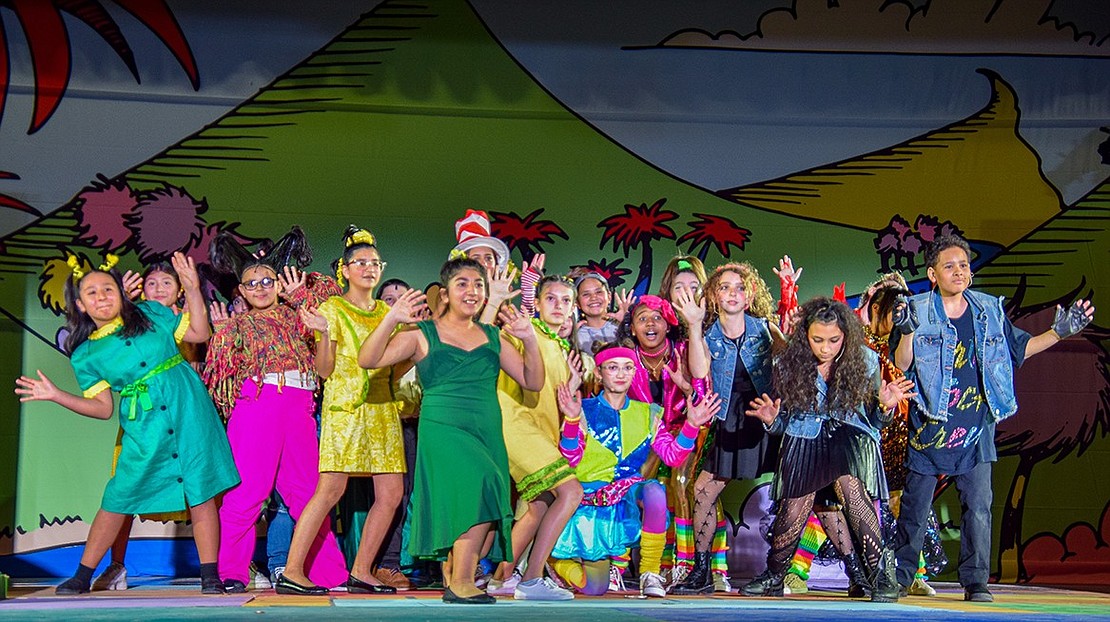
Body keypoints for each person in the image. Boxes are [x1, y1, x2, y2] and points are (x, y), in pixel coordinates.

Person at [16, 253, 239, 595]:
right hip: (144, 425)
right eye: (92, 293)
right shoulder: (85, 354)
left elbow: (199, 331)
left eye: (108, 289)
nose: (101, 296)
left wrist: (193, 288)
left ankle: (210, 575)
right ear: (80, 304)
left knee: (201, 491)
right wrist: (57, 394)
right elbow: (102, 408)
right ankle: (82, 574)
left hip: (189, 412)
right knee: (118, 495)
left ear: (121, 293)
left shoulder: (152, 313)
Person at [892, 234, 1094, 603]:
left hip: (976, 427)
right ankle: (901, 576)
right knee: (914, 509)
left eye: (965, 265)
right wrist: (906, 331)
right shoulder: (917, 309)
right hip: (931, 424)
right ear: (932, 273)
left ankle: (975, 582)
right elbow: (902, 363)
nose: (959, 272)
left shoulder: (988, 309)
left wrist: (1060, 333)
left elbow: (1021, 349)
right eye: (950, 266)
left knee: (979, 508)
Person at [358, 256, 544, 604]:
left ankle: (459, 573)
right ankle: (460, 581)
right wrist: (391, 319)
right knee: (481, 485)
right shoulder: (422, 334)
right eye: (462, 284)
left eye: (478, 285)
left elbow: (532, 381)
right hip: (443, 427)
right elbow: (368, 359)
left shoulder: (492, 336)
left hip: (486, 427)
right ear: (444, 293)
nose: (471, 291)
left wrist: (530, 340)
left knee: (484, 507)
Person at [204, 228, 349, 594]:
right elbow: (219, 380)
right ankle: (233, 573)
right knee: (247, 493)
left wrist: (297, 292)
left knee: (307, 493)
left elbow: (330, 292)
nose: (261, 287)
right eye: (252, 283)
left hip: (299, 408)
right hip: (257, 407)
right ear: (240, 291)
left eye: (268, 279)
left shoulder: (302, 316)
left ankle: (327, 572)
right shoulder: (234, 327)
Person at [742, 298, 914, 602]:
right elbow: (784, 423)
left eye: (834, 340)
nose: (826, 348)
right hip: (805, 436)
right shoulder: (788, 363)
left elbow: (874, 422)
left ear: (845, 335)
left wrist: (886, 406)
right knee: (795, 503)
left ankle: (880, 574)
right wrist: (772, 421)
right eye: (817, 340)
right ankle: (775, 573)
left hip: (850, 435)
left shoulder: (865, 360)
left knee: (849, 483)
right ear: (805, 336)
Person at [284, 226, 405, 594]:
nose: (369, 268)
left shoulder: (388, 311)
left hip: (383, 408)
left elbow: (398, 363)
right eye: (361, 262)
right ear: (345, 269)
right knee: (329, 491)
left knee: (391, 494)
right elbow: (323, 370)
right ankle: (291, 571)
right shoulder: (331, 308)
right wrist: (322, 333)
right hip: (346, 408)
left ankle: (362, 570)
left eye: (375, 262)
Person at [548, 344, 722, 597]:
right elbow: (569, 459)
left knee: (654, 491)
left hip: (626, 497)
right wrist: (573, 421)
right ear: (599, 373)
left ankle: (649, 574)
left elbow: (672, 456)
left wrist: (692, 425)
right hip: (588, 503)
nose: (620, 374)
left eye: (627, 367)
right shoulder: (582, 408)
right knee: (594, 588)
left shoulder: (648, 413)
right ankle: (552, 561)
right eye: (613, 367)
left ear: (634, 372)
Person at [672, 261, 786, 595]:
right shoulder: (707, 334)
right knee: (704, 492)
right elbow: (698, 371)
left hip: (766, 415)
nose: (732, 293)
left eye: (739, 287)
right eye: (724, 287)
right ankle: (702, 569)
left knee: (803, 493)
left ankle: (782, 573)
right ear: (713, 296)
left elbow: (791, 362)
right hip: (727, 417)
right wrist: (693, 327)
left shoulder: (766, 329)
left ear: (749, 296)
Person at [487, 275, 583, 600]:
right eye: (551, 299)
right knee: (571, 492)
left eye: (566, 300)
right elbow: (498, 339)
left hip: (540, 435)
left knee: (539, 507)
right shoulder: (525, 331)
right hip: (516, 425)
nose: (559, 306)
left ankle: (501, 578)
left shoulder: (561, 348)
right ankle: (531, 579)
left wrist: (573, 389)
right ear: (538, 304)